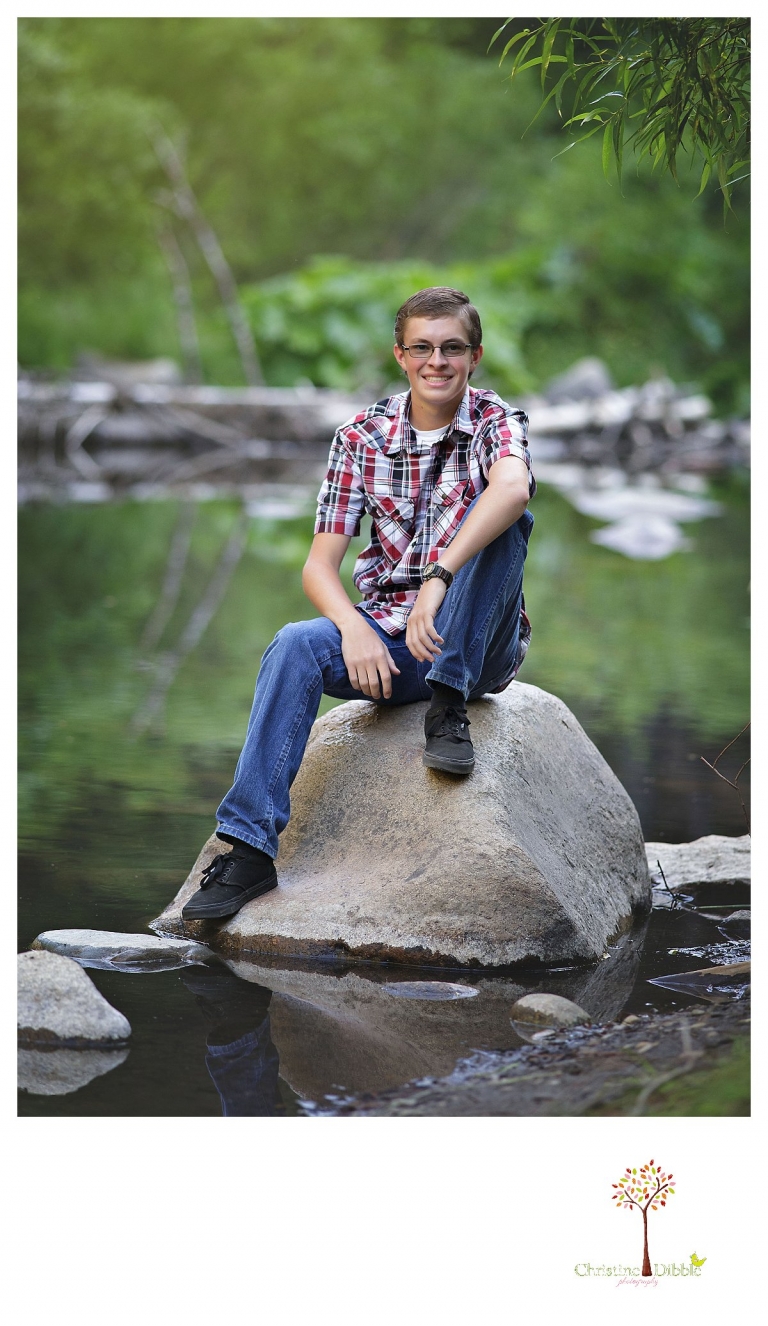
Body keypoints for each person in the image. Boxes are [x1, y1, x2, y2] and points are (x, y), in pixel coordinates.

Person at [182, 286, 536, 924]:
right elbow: (319, 566)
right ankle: (249, 850)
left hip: (479, 643)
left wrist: (438, 577)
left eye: (452, 348)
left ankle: (448, 703)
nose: (437, 361)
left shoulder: (495, 420)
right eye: (422, 348)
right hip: (393, 642)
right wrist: (352, 628)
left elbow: (511, 489)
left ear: (475, 356)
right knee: (295, 643)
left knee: (509, 521)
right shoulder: (360, 436)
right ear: (400, 355)